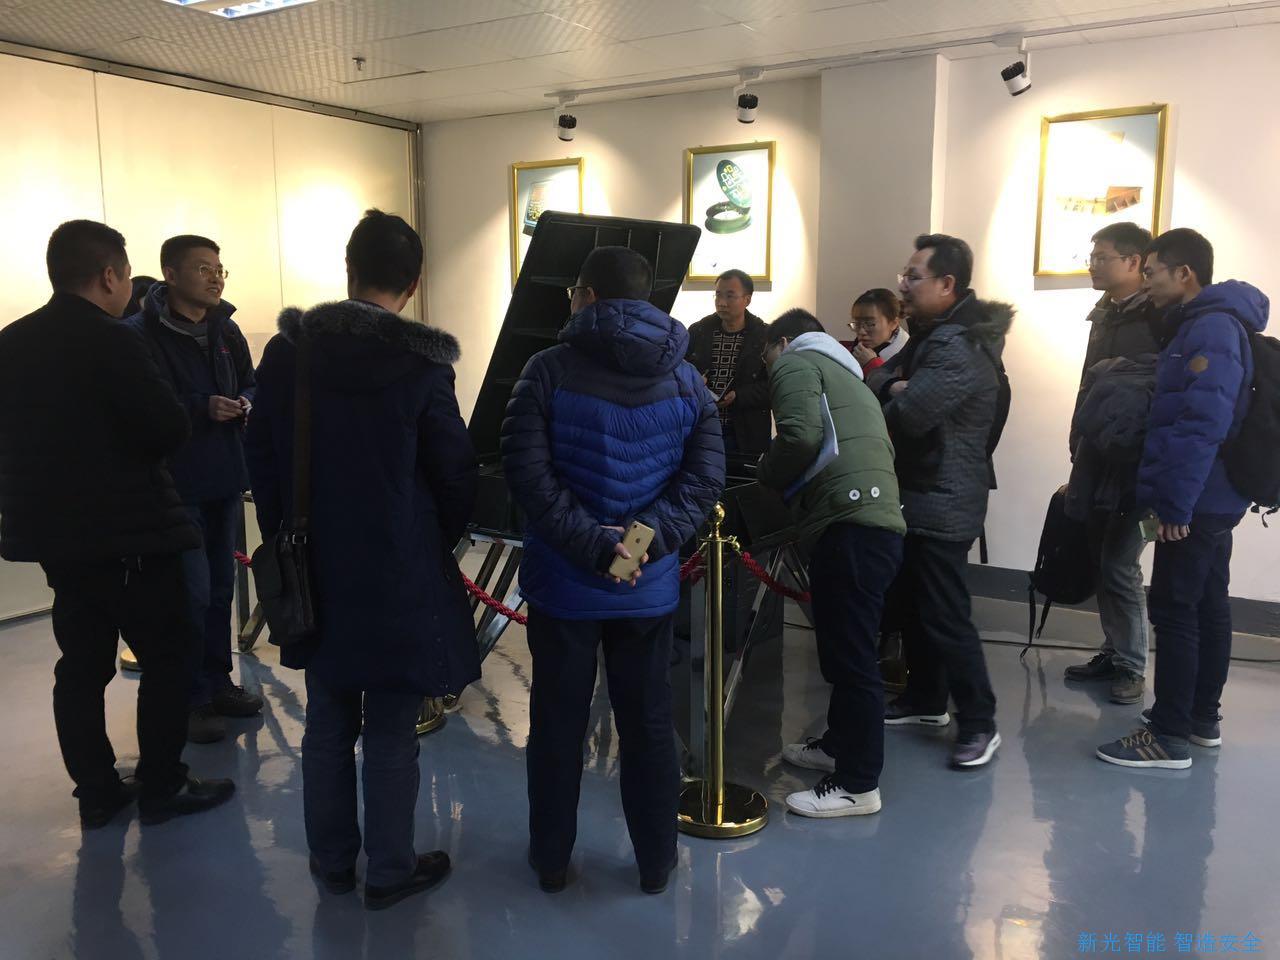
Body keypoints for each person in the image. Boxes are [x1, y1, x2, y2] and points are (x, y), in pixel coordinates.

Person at [246, 209, 479, 909]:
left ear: (348, 269)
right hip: (399, 567)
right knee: (391, 731)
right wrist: (435, 536)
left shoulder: (290, 353)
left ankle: (331, 862)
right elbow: (454, 470)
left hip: (315, 564)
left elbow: (261, 455)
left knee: (326, 720)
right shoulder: (422, 364)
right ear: (413, 283)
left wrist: (284, 531)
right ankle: (388, 871)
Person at [501, 245, 723, 895]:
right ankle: (655, 863)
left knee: (558, 725)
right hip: (646, 588)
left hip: (564, 585)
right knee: (649, 726)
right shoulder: (688, 378)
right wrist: (642, 545)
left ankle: (551, 861)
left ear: (588, 296)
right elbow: (704, 478)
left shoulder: (547, 369)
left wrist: (595, 548)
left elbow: (527, 475)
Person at [0, 220, 235, 828]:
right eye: (128, 276)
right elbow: (166, 427)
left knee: (81, 665)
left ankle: (98, 791)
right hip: (131, 533)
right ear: (109, 276)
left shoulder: (11, 343)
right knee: (169, 657)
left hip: (56, 538)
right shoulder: (114, 341)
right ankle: (161, 784)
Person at [1097, 228, 1268, 769]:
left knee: (1174, 608)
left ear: (1184, 273)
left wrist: (1175, 506)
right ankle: (1199, 719)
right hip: (1212, 495)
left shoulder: (1210, 328)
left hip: (1198, 498)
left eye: (1151, 272)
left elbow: (1201, 424)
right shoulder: (1210, 323)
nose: (1146, 282)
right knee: (1208, 603)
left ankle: (1168, 734)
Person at [756, 308, 905, 817]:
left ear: (782, 342)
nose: (769, 368)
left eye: (766, 358)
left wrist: (765, 471)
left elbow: (799, 437)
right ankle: (839, 745)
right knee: (849, 648)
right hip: (874, 523)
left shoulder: (796, 361)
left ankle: (858, 784)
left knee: (853, 658)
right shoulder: (849, 375)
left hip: (850, 525)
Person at [879, 234, 1011, 769]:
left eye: (914, 276)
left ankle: (979, 721)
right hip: (923, 491)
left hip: (943, 496)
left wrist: (896, 390)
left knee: (945, 613)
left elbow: (911, 415)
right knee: (916, 606)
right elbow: (885, 378)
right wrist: (895, 384)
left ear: (947, 284)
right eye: (905, 274)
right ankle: (926, 700)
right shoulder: (933, 335)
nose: (903, 284)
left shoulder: (956, 345)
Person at [127, 236, 260, 744]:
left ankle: (218, 681)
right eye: (203, 268)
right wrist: (202, 407)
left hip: (223, 477)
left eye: (220, 268)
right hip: (175, 485)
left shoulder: (226, 328)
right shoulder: (142, 334)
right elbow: (144, 406)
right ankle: (191, 697)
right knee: (189, 594)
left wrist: (245, 402)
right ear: (170, 273)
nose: (215, 277)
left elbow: (250, 381)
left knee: (220, 589)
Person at [1062, 222, 1163, 705]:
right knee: (1102, 557)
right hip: (1096, 455)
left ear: (1134, 262)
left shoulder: (1160, 316)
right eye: (1092, 256)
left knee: (1121, 563)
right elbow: (1090, 384)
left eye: (1103, 257)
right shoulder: (1105, 313)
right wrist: (1077, 437)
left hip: (1138, 464)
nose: (1093, 265)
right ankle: (1114, 651)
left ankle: (1132, 666)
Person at [685, 268, 771, 456]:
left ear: (747, 300)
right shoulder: (698, 331)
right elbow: (679, 371)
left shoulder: (764, 336)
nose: (721, 302)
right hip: (702, 426)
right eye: (718, 295)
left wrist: (739, 395)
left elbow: (773, 385)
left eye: (730, 296)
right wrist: (694, 381)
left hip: (745, 432)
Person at [848, 287, 909, 394]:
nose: (861, 331)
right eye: (857, 324)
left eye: (870, 324)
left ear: (893, 323)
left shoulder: (908, 353)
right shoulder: (856, 350)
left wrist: (872, 364)